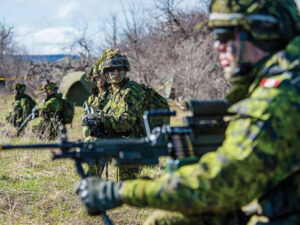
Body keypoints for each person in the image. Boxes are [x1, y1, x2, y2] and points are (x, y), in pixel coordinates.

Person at [76, 0, 300, 224]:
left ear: (262, 33)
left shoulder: (280, 96)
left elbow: (219, 184)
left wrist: (120, 192)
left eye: (224, 36)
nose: (216, 46)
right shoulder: (281, 80)